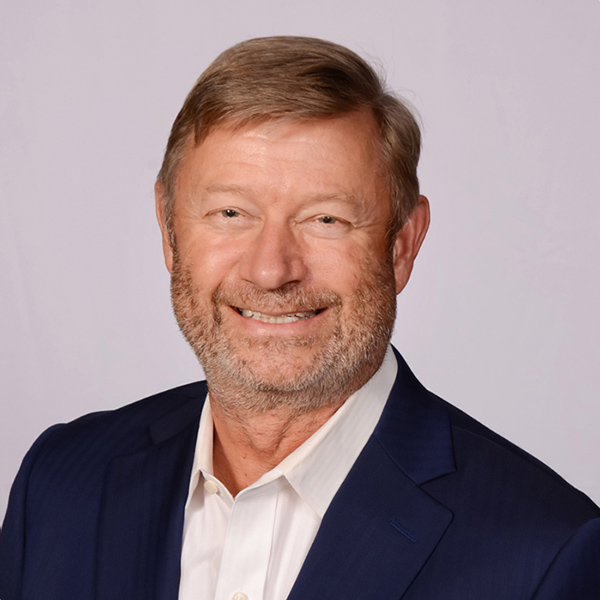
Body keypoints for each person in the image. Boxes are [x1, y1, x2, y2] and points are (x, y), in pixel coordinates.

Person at [1, 36, 599, 600]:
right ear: (168, 229)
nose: (271, 270)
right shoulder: (60, 484)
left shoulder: (545, 554)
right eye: (230, 213)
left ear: (402, 245)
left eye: (325, 219)